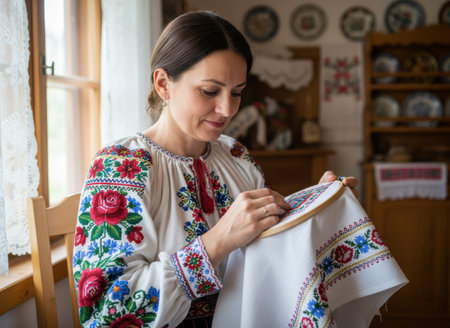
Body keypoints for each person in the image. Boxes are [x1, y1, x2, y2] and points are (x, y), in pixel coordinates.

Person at [72, 10, 358, 328]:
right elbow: (105, 315)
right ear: (163, 83)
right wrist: (217, 242)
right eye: (210, 91)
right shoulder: (121, 167)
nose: (227, 109)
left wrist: (313, 208)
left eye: (236, 92)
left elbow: (267, 257)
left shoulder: (237, 156)